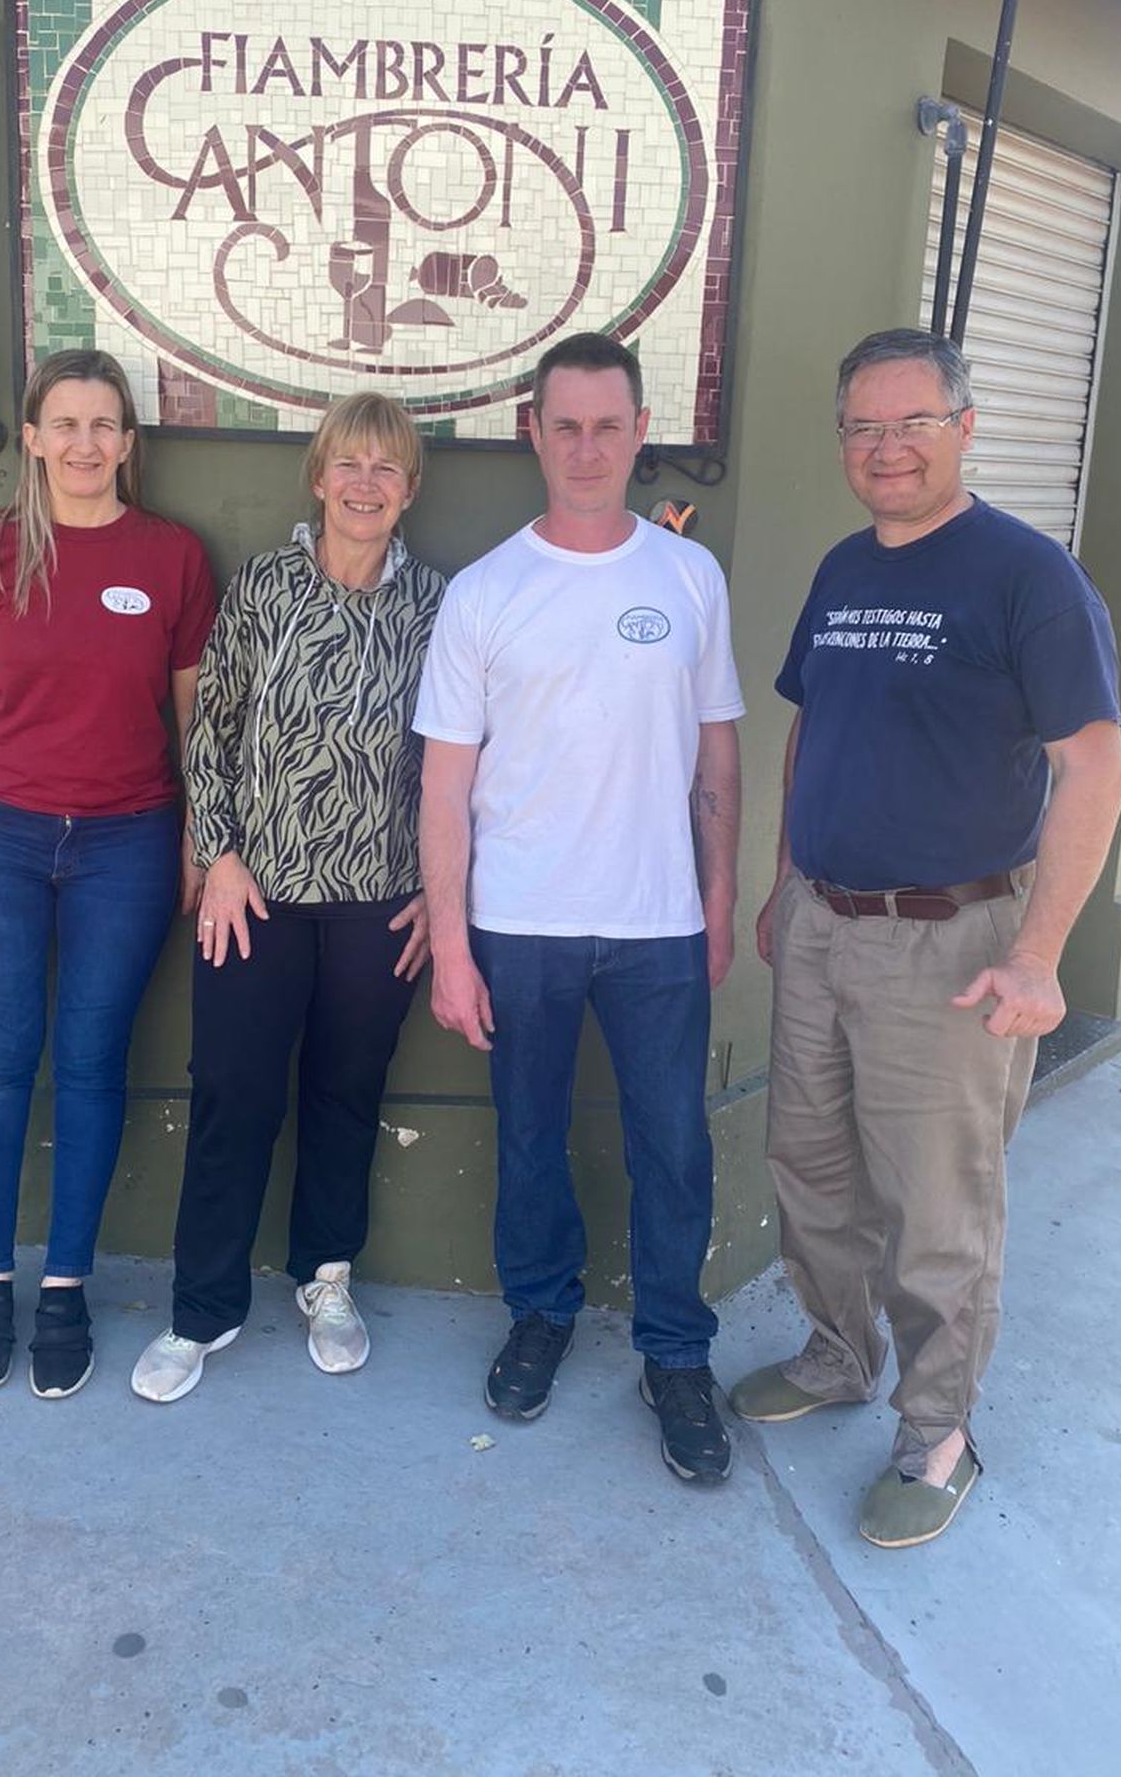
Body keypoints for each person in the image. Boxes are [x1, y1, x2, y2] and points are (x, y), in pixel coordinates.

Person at [731, 327, 1121, 1548]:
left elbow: (1094, 766)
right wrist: (786, 881)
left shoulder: (1027, 575)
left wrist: (1042, 952)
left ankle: (938, 1431)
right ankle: (839, 1353)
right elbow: (812, 727)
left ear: (963, 426)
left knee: (938, 1204)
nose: (885, 446)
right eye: (863, 426)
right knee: (811, 1164)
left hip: (954, 943)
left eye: (911, 421)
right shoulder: (846, 566)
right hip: (822, 925)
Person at [415, 331, 744, 1485]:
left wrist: (716, 894)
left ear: (640, 430)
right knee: (529, 1139)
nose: (589, 445)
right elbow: (445, 786)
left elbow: (717, 755)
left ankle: (675, 1351)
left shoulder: (688, 576)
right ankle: (541, 1313)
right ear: (534, 434)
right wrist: (452, 945)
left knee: (674, 1149)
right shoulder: (486, 591)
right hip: (521, 924)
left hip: (660, 925)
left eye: (611, 424)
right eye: (568, 424)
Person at [0, 349, 214, 1399]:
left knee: (90, 1059)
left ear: (130, 441)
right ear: (31, 436)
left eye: (105, 424)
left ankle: (67, 1285)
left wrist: (198, 842)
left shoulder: (171, 557)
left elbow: (196, 717)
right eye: (65, 423)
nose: (85, 443)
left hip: (126, 840)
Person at [131, 393, 445, 1403]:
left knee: (346, 1095)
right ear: (318, 477)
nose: (364, 483)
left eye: (386, 468)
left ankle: (326, 1278)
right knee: (234, 1092)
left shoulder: (434, 603)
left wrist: (444, 893)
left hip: (378, 899)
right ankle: (202, 1306)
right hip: (254, 892)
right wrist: (215, 852)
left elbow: (458, 760)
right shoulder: (266, 584)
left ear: (409, 490)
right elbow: (211, 727)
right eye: (347, 463)